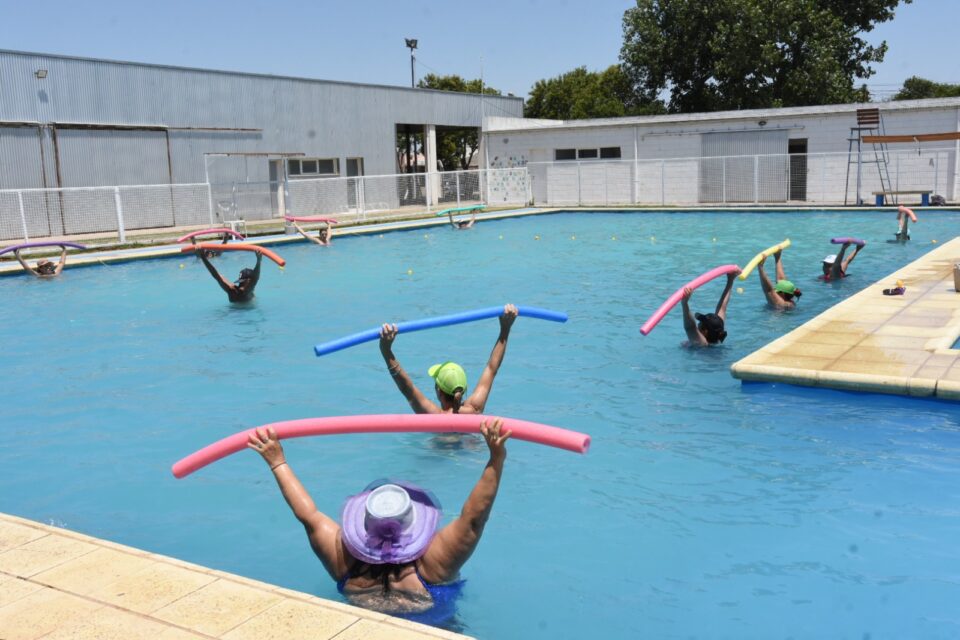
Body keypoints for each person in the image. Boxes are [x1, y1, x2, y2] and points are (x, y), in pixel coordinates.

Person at [246, 418, 511, 621]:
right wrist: (496, 458)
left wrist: (277, 462)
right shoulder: (434, 563)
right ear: (414, 523)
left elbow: (308, 515)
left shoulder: (343, 559)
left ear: (363, 522)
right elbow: (474, 518)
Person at [379, 304, 518, 414]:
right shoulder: (475, 410)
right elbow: (491, 368)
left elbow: (406, 387)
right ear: (463, 390)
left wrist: (386, 349)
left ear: (438, 391)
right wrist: (505, 329)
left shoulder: (433, 416)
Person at [680, 269, 739, 346]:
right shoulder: (718, 331)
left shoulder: (702, 343)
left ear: (705, 332)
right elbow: (722, 307)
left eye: (701, 322)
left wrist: (684, 303)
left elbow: (690, 328)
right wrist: (730, 280)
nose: (699, 323)